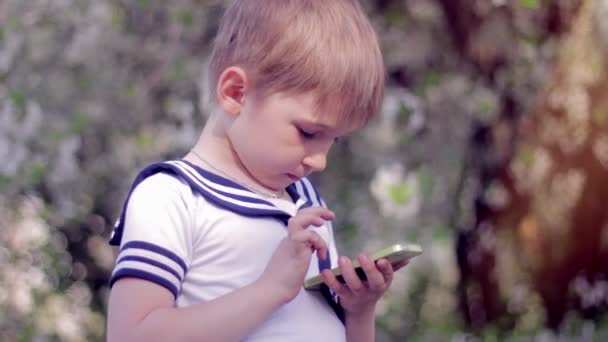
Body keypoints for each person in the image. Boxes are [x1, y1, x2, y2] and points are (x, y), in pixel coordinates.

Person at [106, 0, 408, 340]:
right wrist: (270, 290)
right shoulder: (170, 196)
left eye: (333, 141)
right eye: (308, 133)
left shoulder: (306, 203)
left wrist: (359, 310)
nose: (319, 161)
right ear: (236, 93)